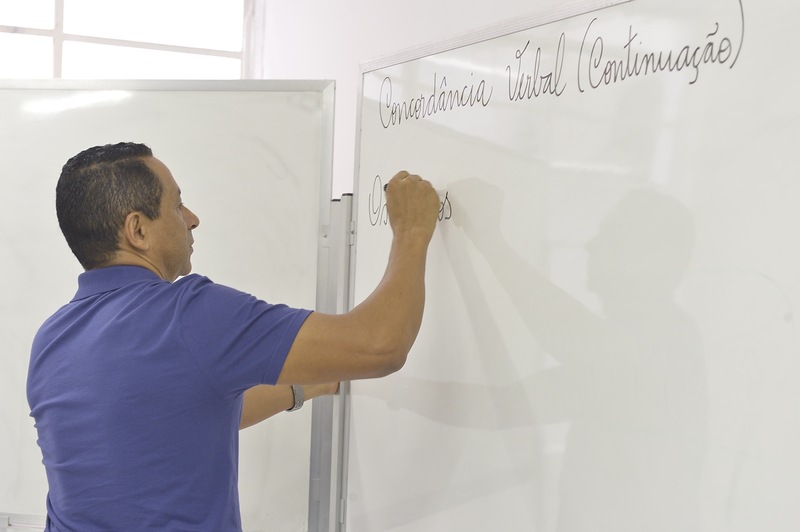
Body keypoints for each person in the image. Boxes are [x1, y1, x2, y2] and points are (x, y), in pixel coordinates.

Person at [26, 142, 440, 531]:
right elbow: (381, 344)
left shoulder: (53, 338)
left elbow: (180, 412)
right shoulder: (190, 314)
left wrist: (307, 386)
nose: (192, 218)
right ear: (138, 230)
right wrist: (411, 230)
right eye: (177, 205)